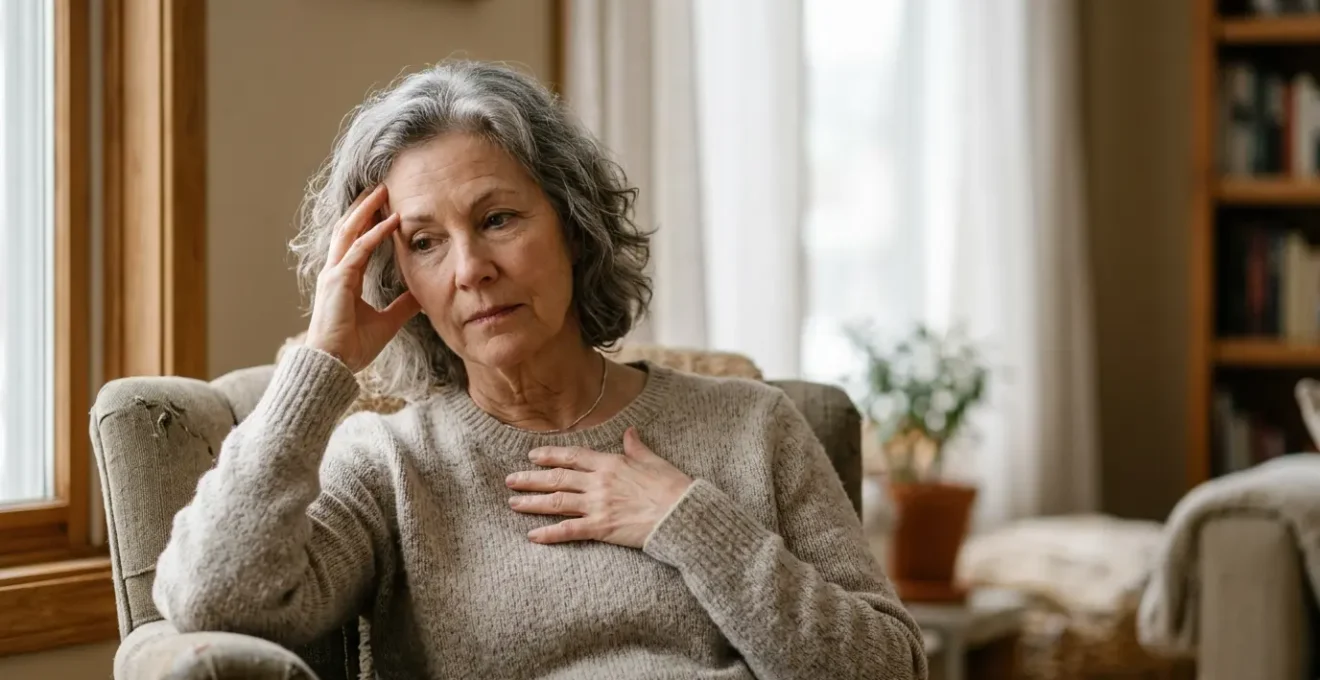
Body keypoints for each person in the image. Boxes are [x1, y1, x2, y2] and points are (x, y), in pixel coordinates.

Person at [153, 60, 927, 679]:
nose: (470, 269)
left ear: (574, 226)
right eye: (424, 243)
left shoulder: (754, 426)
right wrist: (323, 359)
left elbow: (890, 668)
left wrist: (688, 521)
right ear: (399, 281)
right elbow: (211, 595)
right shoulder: (391, 466)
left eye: (497, 219)